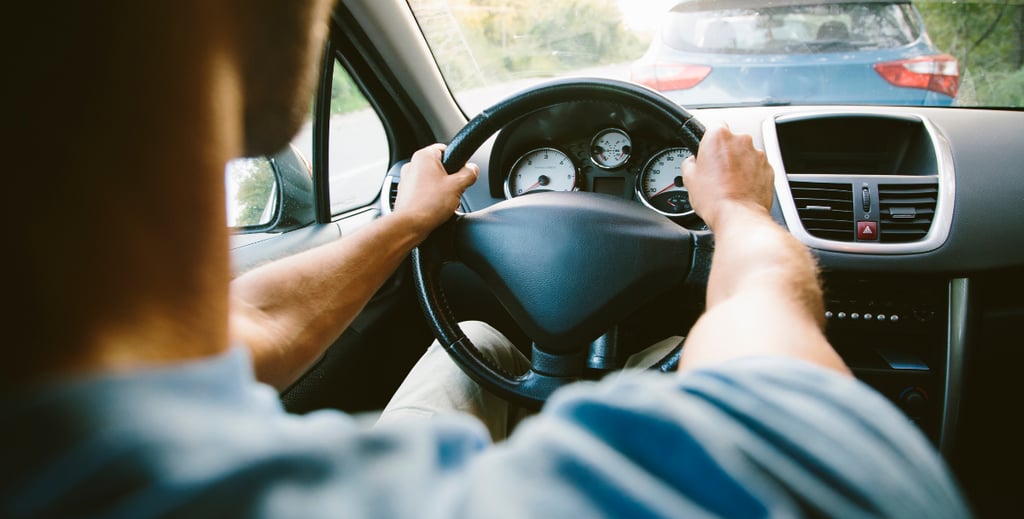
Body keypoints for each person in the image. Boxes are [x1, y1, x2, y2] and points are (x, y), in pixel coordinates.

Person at [2, 0, 968, 517]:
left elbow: (252, 321)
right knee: (632, 359)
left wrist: (404, 225)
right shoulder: (744, 483)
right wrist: (738, 214)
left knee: (478, 339)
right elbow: (786, 370)